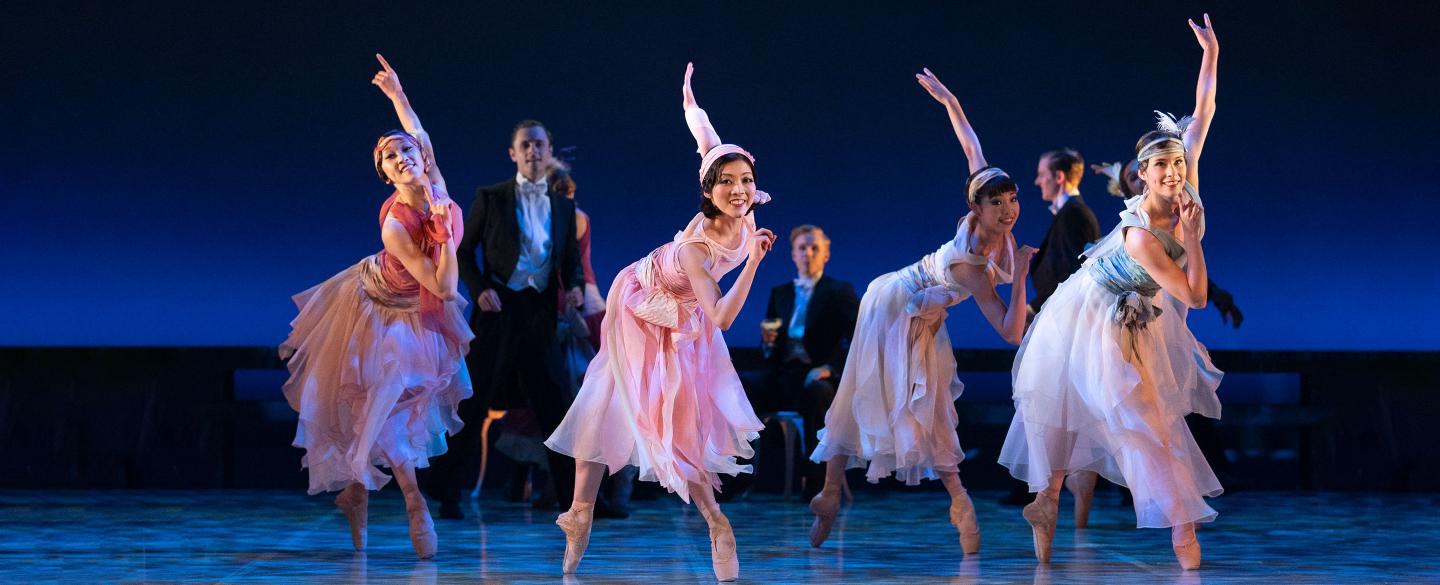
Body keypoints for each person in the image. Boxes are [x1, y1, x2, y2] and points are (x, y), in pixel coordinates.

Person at [999, 14, 1223, 570]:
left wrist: (1211, 55)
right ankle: (1162, 529)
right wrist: (1192, 240)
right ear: (1141, 175)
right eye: (1162, 166)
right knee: (1120, 417)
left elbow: (1205, 110)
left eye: (1178, 162)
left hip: (1140, 314)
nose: (1174, 171)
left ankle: (1051, 504)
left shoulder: (1184, 176)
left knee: (1143, 419)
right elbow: (1194, 297)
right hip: (1092, 314)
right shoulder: (1141, 235)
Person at [543, 63, 777, 581]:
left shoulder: (745, 212)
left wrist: (691, 102)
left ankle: (716, 522)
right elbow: (718, 316)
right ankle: (581, 513)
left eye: (747, 181)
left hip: (688, 314)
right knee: (610, 399)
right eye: (728, 184)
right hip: (642, 301)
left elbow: (707, 141)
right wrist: (754, 263)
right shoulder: (697, 246)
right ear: (708, 191)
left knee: (681, 424)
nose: (740, 190)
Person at [807, 67, 1038, 556]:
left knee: (929, 409)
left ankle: (955, 501)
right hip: (894, 304)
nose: (1009, 209)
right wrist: (1019, 278)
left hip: (924, 316)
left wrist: (951, 100)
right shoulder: (972, 262)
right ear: (977, 209)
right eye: (998, 203)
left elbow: (972, 146)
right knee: (871, 394)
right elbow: (1009, 330)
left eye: (1013, 199)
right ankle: (832, 492)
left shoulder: (996, 221)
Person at [279, 54, 470, 559]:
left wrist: (396, 94)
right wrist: (442, 235)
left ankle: (360, 492)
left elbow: (448, 290)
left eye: (407, 150)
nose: (402, 156)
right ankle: (411, 501)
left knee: (402, 406)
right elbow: (441, 285)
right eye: (389, 158)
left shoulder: (438, 187)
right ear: (384, 175)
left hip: (422, 308)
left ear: (423, 157)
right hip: (376, 308)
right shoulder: (395, 222)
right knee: (380, 397)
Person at [429, 110, 586, 520]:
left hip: (538, 313)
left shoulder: (563, 206)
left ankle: (577, 501)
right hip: (499, 310)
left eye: (539, 144)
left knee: (556, 405)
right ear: (513, 153)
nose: (533, 151)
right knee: (474, 402)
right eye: (526, 145)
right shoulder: (492, 196)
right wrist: (480, 290)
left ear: (549, 152)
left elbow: (568, 258)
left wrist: (572, 287)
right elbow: (462, 251)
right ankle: (448, 494)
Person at [754, 225, 860, 500]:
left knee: (816, 396)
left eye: (814, 248)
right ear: (792, 254)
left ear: (825, 255)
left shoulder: (839, 290)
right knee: (739, 391)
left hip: (819, 375)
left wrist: (829, 369)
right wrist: (768, 342)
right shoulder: (781, 293)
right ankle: (737, 480)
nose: (808, 253)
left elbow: (858, 339)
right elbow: (772, 348)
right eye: (802, 248)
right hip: (786, 374)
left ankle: (816, 484)